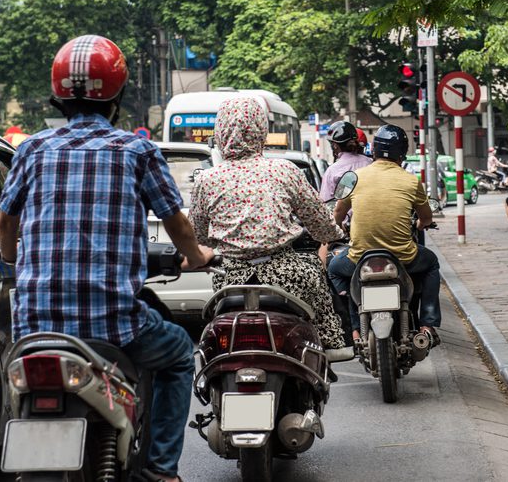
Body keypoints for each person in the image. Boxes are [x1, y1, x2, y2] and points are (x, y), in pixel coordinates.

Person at [0, 35, 213, 482]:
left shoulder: (31, 150)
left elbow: (5, 225)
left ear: (58, 97)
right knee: (177, 355)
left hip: (33, 326)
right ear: (116, 97)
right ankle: (160, 470)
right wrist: (195, 256)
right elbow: (177, 223)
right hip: (114, 325)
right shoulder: (136, 151)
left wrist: (16, 263)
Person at [188, 96, 354, 362]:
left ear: (220, 131)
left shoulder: (206, 178)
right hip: (286, 276)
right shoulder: (284, 171)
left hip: (231, 280)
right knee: (318, 280)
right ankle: (333, 345)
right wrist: (334, 235)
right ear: (260, 131)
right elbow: (320, 222)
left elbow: (198, 235)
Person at [329, 124, 441, 342]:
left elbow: (338, 213)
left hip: (359, 257)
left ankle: (353, 327)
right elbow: (426, 218)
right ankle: (427, 325)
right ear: (402, 153)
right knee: (432, 263)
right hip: (403, 258)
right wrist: (419, 225)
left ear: (374, 149)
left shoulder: (354, 177)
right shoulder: (411, 180)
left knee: (334, 269)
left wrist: (339, 228)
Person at [320, 121, 372, 202]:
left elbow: (326, 202)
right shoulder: (369, 162)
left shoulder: (332, 171)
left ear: (335, 146)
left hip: (343, 214)